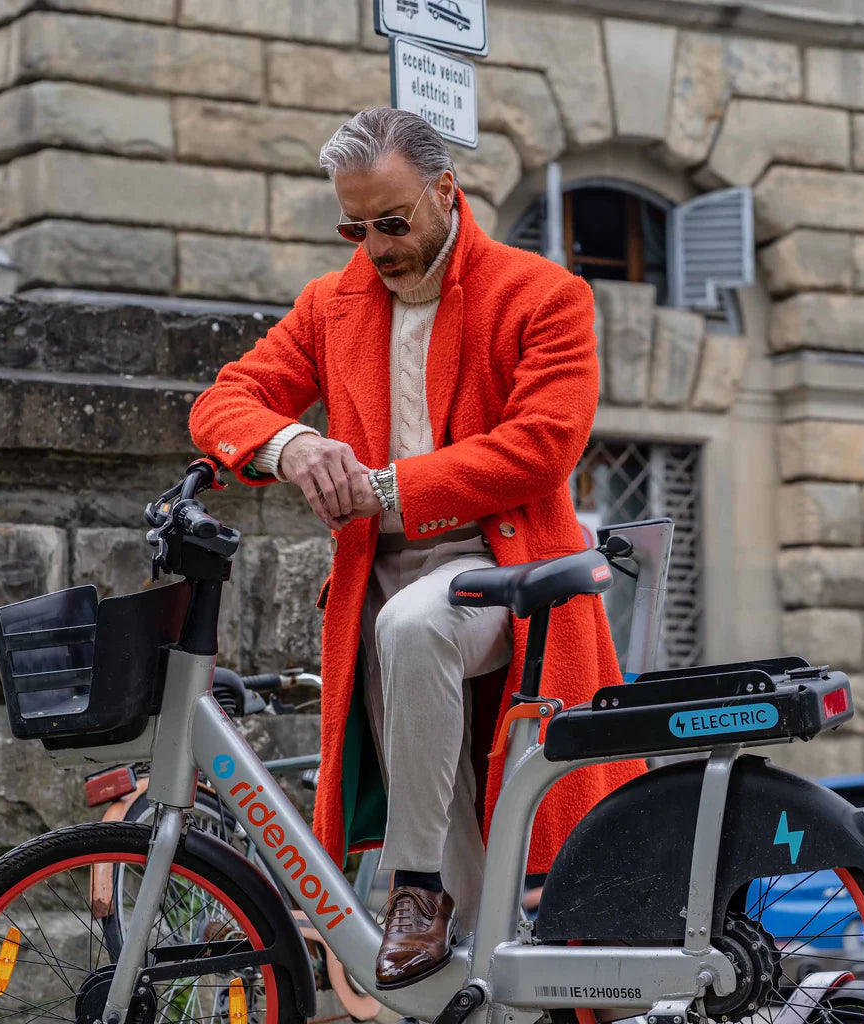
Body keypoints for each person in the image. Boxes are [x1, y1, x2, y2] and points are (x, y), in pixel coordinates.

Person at [189, 107, 645, 990]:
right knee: (446, 801)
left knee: (410, 629)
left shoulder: (543, 293)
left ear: (445, 192)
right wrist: (293, 446)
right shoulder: (331, 302)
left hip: (510, 573)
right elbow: (226, 400)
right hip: (380, 580)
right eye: (353, 227)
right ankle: (477, 985)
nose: (374, 247)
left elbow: (544, 444)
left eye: (392, 223)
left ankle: (414, 888)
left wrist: (389, 486)